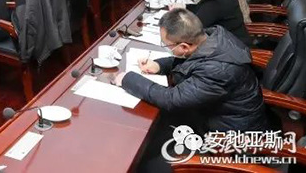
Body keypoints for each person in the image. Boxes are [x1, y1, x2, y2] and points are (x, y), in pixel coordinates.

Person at [113, 9, 269, 172]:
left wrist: (127, 79)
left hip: (230, 142)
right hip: (211, 117)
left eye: (166, 45)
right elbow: (190, 62)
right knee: (149, 134)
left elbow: (172, 99)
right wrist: (159, 65)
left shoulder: (218, 70)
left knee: (147, 164)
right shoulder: (212, 38)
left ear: (184, 46)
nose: (166, 48)